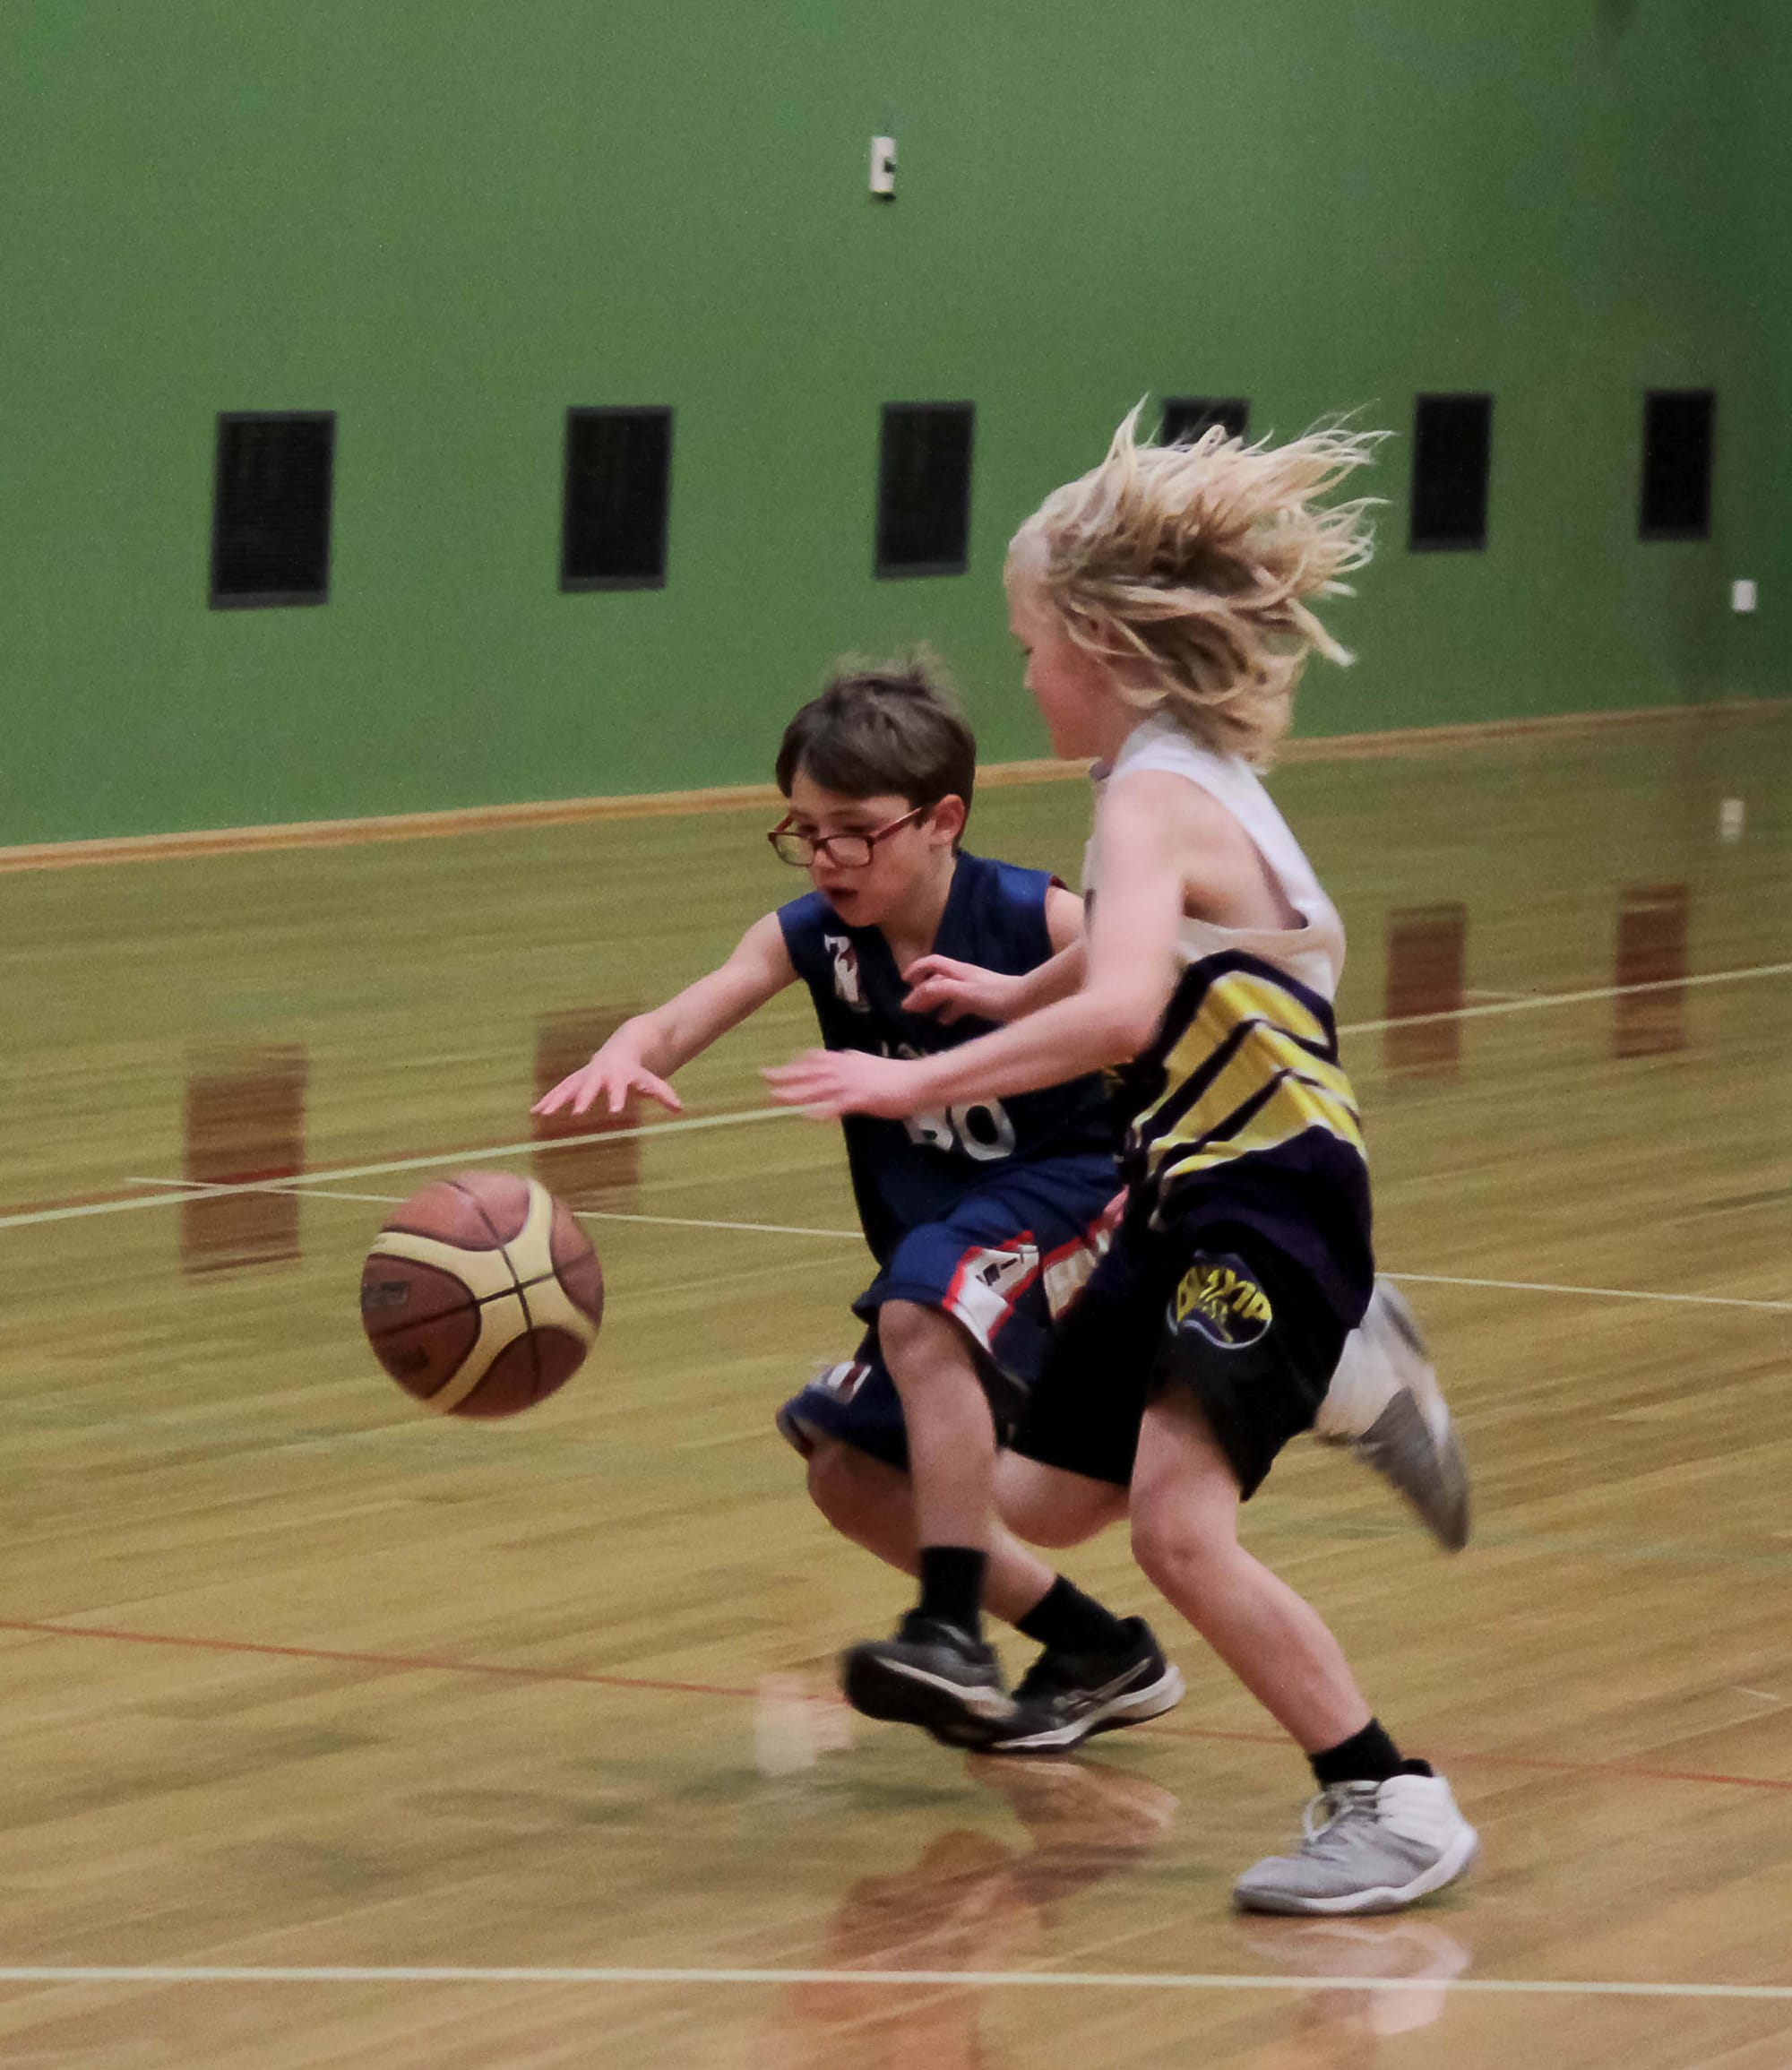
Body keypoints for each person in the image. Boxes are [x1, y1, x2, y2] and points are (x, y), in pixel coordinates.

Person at [765, 411, 1478, 1911]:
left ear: (1096, 641)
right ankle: (1354, 1360)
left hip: (1269, 1196)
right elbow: (1191, 962)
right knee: (1034, 1504)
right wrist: (1009, 996)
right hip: (1186, 1191)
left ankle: (1391, 1799)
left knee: (1175, 1523)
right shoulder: (1164, 782)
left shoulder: (1156, 794)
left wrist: (924, 1076)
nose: (1022, 676)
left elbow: (1129, 1006)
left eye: (1029, 646)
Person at [536, 660, 1185, 1750]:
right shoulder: (811, 939)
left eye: (852, 830)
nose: (826, 856)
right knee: (845, 1467)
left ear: (942, 821)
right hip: (954, 1237)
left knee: (920, 1308)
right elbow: (688, 1012)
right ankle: (1095, 1647)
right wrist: (627, 1047)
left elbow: (1150, 982)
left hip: (1084, 1200)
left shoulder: (1034, 914)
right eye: (801, 830)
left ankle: (948, 1635)